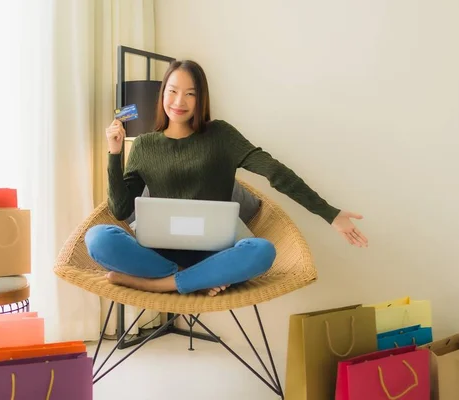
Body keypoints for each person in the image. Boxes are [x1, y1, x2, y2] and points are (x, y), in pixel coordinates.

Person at [85, 60, 368, 297]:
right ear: (162, 95)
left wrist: (330, 214)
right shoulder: (145, 145)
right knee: (97, 238)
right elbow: (120, 210)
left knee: (262, 250)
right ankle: (189, 279)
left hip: (214, 255)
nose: (179, 102)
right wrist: (114, 153)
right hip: (159, 255)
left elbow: (274, 171)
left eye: (190, 94)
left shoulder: (221, 135)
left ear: (201, 99)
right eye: (172, 91)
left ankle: (163, 285)